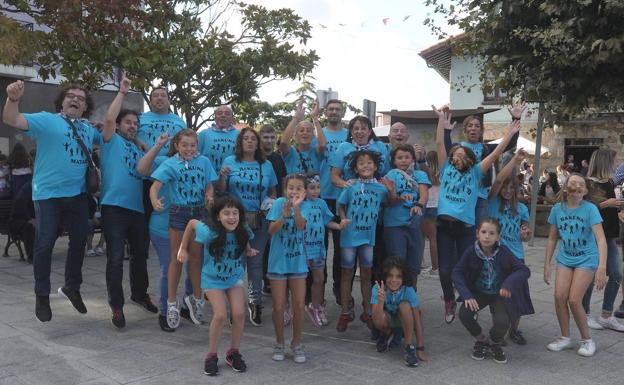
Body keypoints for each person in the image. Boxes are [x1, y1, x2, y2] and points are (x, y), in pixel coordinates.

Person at [3, 80, 101, 322]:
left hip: (77, 195)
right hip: (48, 195)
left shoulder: (88, 129)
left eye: (81, 98)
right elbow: (11, 120)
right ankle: (42, 294)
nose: (76, 99)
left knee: (80, 238)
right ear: (62, 100)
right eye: (71, 95)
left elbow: (108, 134)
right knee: (45, 243)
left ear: (86, 106)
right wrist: (13, 99)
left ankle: (72, 287)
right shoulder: (47, 120)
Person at [433, 104, 521, 324]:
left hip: (465, 227)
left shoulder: (474, 173)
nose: (458, 156)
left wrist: (511, 130)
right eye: (456, 154)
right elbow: (439, 144)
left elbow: (499, 152)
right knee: (444, 270)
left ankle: (469, 295)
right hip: (444, 227)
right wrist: (442, 125)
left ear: (471, 160)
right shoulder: (446, 169)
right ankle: (448, 299)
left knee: (469, 263)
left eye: (463, 155)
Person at [99, 76, 156, 328]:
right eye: (128, 122)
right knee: (114, 258)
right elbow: (109, 120)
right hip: (114, 208)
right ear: (119, 125)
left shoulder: (138, 148)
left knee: (140, 255)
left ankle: (139, 294)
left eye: (135, 123)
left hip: (137, 210)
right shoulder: (110, 141)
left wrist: (143, 146)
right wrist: (122, 92)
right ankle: (117, 306)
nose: (132, 126)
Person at [177, 197, 255, 376]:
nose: (231, 217)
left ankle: (233, 353)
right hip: (212, 279)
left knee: (239, 313)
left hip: (234, 276)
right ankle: (211, 355)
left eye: (235, 213)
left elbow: (245, 238)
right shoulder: (208, 232)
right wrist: (183, 248)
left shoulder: (242, 228)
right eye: (226, 213)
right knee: (220, 315)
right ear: (218, 217)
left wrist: (249, 250)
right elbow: (191, 223)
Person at [150, 129, 218, 329]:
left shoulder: (204, 162)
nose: (189, 149)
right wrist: (155, 200)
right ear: (177, 146)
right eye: (185, 145)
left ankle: (196, 299)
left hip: (199, 213)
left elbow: (209, 184)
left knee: (196, 259)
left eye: (193, 145)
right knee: (177, 257)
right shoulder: (170, 164)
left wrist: (210, 195)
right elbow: (154, 186)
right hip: (179, 213)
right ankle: (172, 302)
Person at [218, 127, 277, 326]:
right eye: (246, 138)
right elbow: (222, 192)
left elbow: (273, 191)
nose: (250, 142)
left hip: (259, 220)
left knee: (256, 262)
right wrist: (223, 177)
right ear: (240, 142)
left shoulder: (266, 165)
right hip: (235, 221)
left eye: (253, 139)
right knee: (236, 261)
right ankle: (235, 305)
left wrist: (269, 203)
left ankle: (255, 301)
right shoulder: (229, 162)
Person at [544, 174, 607, 357]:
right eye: (573, 183)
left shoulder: (590, 209)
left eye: (581, 184)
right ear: (566, 188)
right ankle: (565, 337)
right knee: (559, 296)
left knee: (574, 299)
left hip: (587, 258)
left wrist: (601, 267)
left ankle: (587, 340)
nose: (577, 186)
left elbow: (601, 239)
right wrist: (547, 264)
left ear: (585, 191)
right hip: (565, 258)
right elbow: (552, 237)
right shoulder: (557, 209)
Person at [452, 218, 531, 364]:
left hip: (498, 294)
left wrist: (508, 284)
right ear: (477, 234)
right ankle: (482, 340)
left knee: (503, 322)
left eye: (491, 233)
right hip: (479, 292)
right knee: (465, 313)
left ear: (498, 236)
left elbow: (523, 270)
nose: (487, 236)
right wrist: (466, 295)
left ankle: (495, 342)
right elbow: (457, 272)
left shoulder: (504, 252)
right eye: (483, 232)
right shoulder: (471, 251)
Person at [336, 150, 397, 332]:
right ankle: (345, 312)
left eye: (369, 162)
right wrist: (343, 218)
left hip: (368, 238)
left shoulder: (380, 187)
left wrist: (392, 191)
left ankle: (368, 312)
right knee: (346, 274)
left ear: (376, 166)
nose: (366, 165)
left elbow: (390, 202)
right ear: (355, 168)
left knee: (366, 275)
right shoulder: (351, 186)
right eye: (361, 163)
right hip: (349, 236)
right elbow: (341, 204)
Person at [443, 102, 525, 224]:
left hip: (480, 197)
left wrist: (516, 118)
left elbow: (510, 143)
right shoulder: (458, 147)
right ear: (465, 131)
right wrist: (446, 131)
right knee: (461, 228)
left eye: (477, 126)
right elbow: (445, 149)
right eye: (470, 126)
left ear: (481, 131)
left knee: (479, 229)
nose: (473, 128)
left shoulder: (486, 148)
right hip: (461, 196)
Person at [488, 149, 535, 344]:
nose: (507, 191)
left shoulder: (522, 209)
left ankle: (514, 330)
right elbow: (497, 182)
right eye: (504, 187)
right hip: (497, 256)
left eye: (511, 188)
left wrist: (525, 233)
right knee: (498, 295)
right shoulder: (492, 204)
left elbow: (525, 232)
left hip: (516, 257)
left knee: (517, 294)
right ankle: (499, 327)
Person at [265, 174, 308, 363]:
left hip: (297, 263)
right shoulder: (278, 204)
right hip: (278, 263)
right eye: (291, 187)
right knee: (279, 306)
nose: (294, 191)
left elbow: (300, 226)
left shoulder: (306, 205)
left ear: (304, 191)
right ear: (285, 190)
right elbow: (271, 230)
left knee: (299, 305)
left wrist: (296, 209)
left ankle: (297, 343)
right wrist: (284, 215)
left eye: (299, 188)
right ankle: (279, 342)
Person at [581, 149, 624, 331]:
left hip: (610, 235)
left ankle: (606, 315)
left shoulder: (609, 182)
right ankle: (584, 313)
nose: (615, 165)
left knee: (616, 274)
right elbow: (582, 210)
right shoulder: (587, 184)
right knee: (590, 276)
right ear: (604, 162)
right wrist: (607, 204)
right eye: (613, 161)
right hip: (593, 236)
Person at [383, 144, 430, 288]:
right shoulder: (390, 175)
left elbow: (424, 194)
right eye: (399, 158)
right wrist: (395, 196)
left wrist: (419, 205)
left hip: (414, 224)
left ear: (413, 159)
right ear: (394, 161)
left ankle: (411, 297)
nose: (403, 160)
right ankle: (396, 298)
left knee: (414, 264)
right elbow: (389, 201)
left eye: (407, 157)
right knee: (397, 263)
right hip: (394, 225)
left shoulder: (420, 174)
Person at [301, 173, 345, 327]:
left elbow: (328, 221)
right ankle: (296, 309)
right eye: (311, 188)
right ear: (304, 189)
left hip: (318, 249)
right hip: (302, 250)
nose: (315, 191)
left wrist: (338, 226)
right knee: (299, 281)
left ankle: (316, 306)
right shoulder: (298, 204)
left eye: (318, 188)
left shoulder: (321, 203)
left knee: (319, 279)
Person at [317, 99, 348, 306]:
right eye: (331, 109)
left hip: (343, 198)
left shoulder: (349, 135)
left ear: (342, 112)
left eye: (338, 109)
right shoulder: (318, 134)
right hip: (321, 196)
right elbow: (317, 151)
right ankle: (320, 287)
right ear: (325, 112)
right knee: (320, 246)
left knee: (340, 247)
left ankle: (339, 287)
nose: (334, 112)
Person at [372, 257, 428, 367]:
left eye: (398, 276)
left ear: (404, 278)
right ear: (384, 276)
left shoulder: (408, 290)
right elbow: (375, 319)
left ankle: (408, 346)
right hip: (387, 319)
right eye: (390, 276)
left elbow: (417, 320)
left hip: (405, 320)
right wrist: (380, 301)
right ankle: (388, 333)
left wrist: (420, 348)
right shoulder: (377, 288)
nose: (394, 280)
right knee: (378, 321)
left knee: (405, 305)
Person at [258, 124, 287, 296]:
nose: (268, 140)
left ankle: (270, 280)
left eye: (271, 137)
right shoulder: (255, 157)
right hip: (257, 206)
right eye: (265, 137)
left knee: (272, 245)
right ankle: (261, 280)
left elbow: (283, 181)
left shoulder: (277, 158)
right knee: (260, 247)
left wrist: (282, 202)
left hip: (275, 206)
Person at [279, 99, 325, 175]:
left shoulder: (315, 153)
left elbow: (322, 145)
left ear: (313, 136)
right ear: (295, 135)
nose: (305, 133)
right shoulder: (290, 152)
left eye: (308, 130)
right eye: (301, 130)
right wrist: (296, 117)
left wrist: (314, 118)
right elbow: (283, 142)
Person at [137, 87, 186, 156]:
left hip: (173, 165)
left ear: (169, 102)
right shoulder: (139, 118)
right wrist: (135, 140)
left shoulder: (180, 121)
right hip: (144, 163)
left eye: (163, 95)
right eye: (155, 96)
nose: (159, 98)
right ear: (150, 102)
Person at [198, 105, 239, 172]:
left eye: (227, 113)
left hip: (232, 178)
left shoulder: (239, 135)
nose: (223, 115)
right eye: (219, 113)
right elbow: (196, 156)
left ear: (232, 118)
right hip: (208, 179)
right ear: (215, 117)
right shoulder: (203, 134)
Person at [421, 150, 440, 275]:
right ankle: (437, 266)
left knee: (430, 238)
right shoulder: (441, 172)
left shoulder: (426, 172)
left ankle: (435, 268)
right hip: (439, 206)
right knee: (436, 238)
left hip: (428, 206)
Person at [8, 180, 35, 263]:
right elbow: (20, 206)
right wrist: (29, 219)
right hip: (17, 220)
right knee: (29, 227)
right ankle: (32, 256)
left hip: (32, 218)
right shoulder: (27, 188)